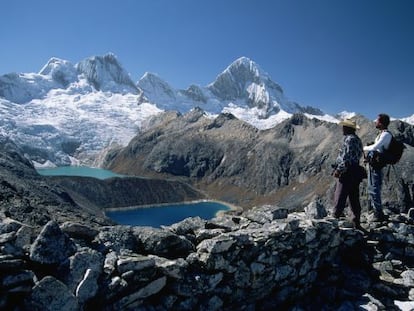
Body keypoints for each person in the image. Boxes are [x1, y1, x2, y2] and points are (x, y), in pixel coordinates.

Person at [333, 118, 364, 229]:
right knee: (354, 197)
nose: (342, 129)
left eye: (344, 127)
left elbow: (346, 158)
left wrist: (338, 170)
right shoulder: (357, 139)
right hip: (355, 171)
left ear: (347, 128)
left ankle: (336, 216)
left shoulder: (349, 139)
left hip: (347, 171)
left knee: (340, 194)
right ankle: (356, 221)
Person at [363, 113, 392, 221]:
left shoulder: (385, 135)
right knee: (373, 186)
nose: (375, 122)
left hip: (376, 164)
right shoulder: (382, 134)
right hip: (374, 163)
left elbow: (376, 147)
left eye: (377, 120)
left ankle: (378, 213)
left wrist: (365, 148)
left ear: (381, 122)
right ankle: (376, 210)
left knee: (374, 187)